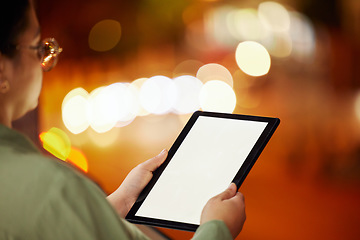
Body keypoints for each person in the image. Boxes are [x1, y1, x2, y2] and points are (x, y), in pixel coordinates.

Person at [0, 0, 246, 239]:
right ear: (2, 69)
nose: (45, 61)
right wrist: (217, 227)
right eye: (37, 47)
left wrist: (124, 200)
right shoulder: (51, 188)